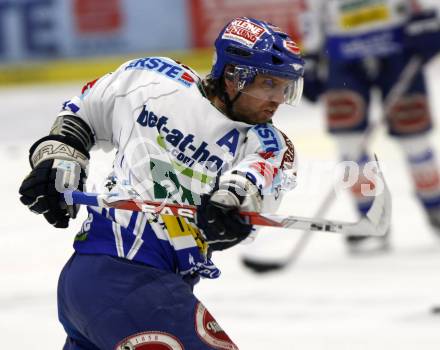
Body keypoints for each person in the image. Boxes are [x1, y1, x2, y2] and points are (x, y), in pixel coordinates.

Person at [18, 17, 304, 349]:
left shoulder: (271, 145)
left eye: (285, 87)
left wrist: (228, 208)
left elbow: (250, 185)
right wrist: (59, 163)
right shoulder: (151, 79)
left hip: (130, 289)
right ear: (233, 76)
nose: (278, 99)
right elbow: (82, 114)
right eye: (268, 84)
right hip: (121, 276)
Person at [300, 0, 440, 253]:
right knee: (348, 141)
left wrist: (430, 17)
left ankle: (436, 206)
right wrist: (311, 54)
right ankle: (370, 217)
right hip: (341, 55)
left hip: (399, 46)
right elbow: (313, 9)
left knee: (414, 134)